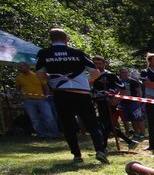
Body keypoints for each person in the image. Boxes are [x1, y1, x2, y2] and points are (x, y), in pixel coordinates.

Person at [34, 28, 109, 164]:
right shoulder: (77, 53)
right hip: (81, 92)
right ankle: (100, 150)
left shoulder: (44, 53)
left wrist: (50, 81)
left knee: (68, 125)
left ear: (51, 39)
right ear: (66, 39)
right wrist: (87, 81)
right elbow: (96, 73)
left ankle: (77, 155)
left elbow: (39, 74)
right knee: (92, 123)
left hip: (61, 93)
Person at [91, 56, 138, 149]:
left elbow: (123, 89)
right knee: (107, 124)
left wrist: (116, 99)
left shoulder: (110, 75)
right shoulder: (91, 75)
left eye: (100, 63)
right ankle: (129, 142)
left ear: (104, 64)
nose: (98, 66)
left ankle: (103, 147)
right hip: (98, 102)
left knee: (105, 124)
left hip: (109, 103)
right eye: (95, 64)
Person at [15, 61, 59, 139]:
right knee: (34, 119)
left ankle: (55, 134)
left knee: (49, 117)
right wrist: (20, 95)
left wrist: (46, 95)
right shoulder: (19, 78)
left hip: (42, 100)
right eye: (18, 67)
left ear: (27, 67)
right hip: (28, 101)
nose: (19, 68)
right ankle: (42, 134)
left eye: (21, 67)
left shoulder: (37, 75)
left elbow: (45, 86)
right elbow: (18, 88)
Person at [116, 68, 146, 139]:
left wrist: (140, 100)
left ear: (128, 73)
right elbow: (117, 91)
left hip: (134, 102)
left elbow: (139, 91)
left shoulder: (133, 81)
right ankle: (136, 133)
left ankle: (142, 133)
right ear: (120, 74)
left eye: (126, 72)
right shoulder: (119, 82)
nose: (125, 74)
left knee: (138, 118)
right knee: (132, 119)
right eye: (123, 73)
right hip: (124, 103)